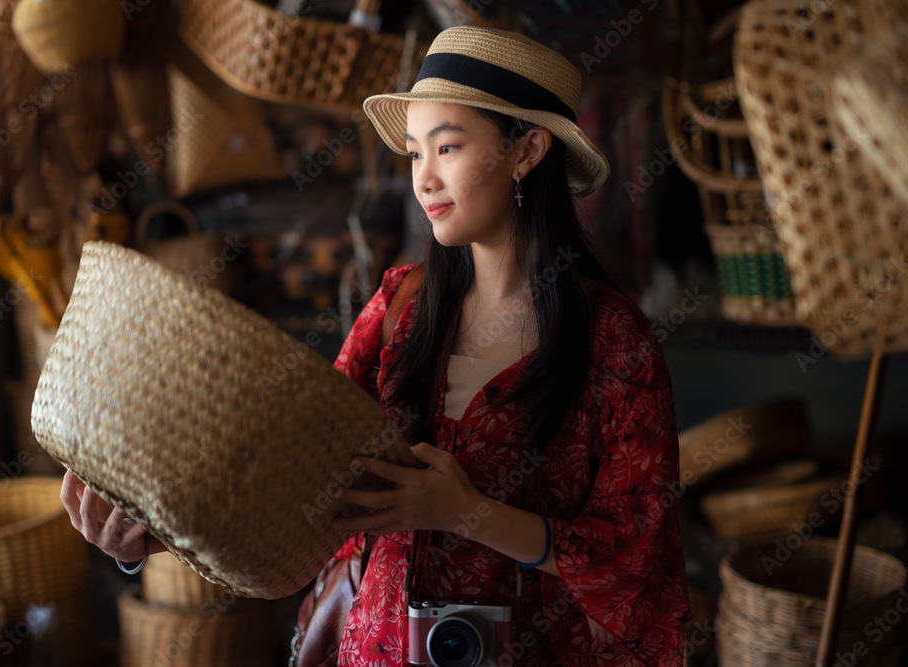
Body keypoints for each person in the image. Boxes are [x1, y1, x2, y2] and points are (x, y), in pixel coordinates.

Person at [61, 24, 691, 667]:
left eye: (447, 147)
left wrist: (467, 513)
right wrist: (151, 535)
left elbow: (637, 561)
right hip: (377, 646)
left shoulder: (616, 343)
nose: (425, 179)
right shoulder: (401, 309)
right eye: (415, 154)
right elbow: (291, 475)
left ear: (527, 150)